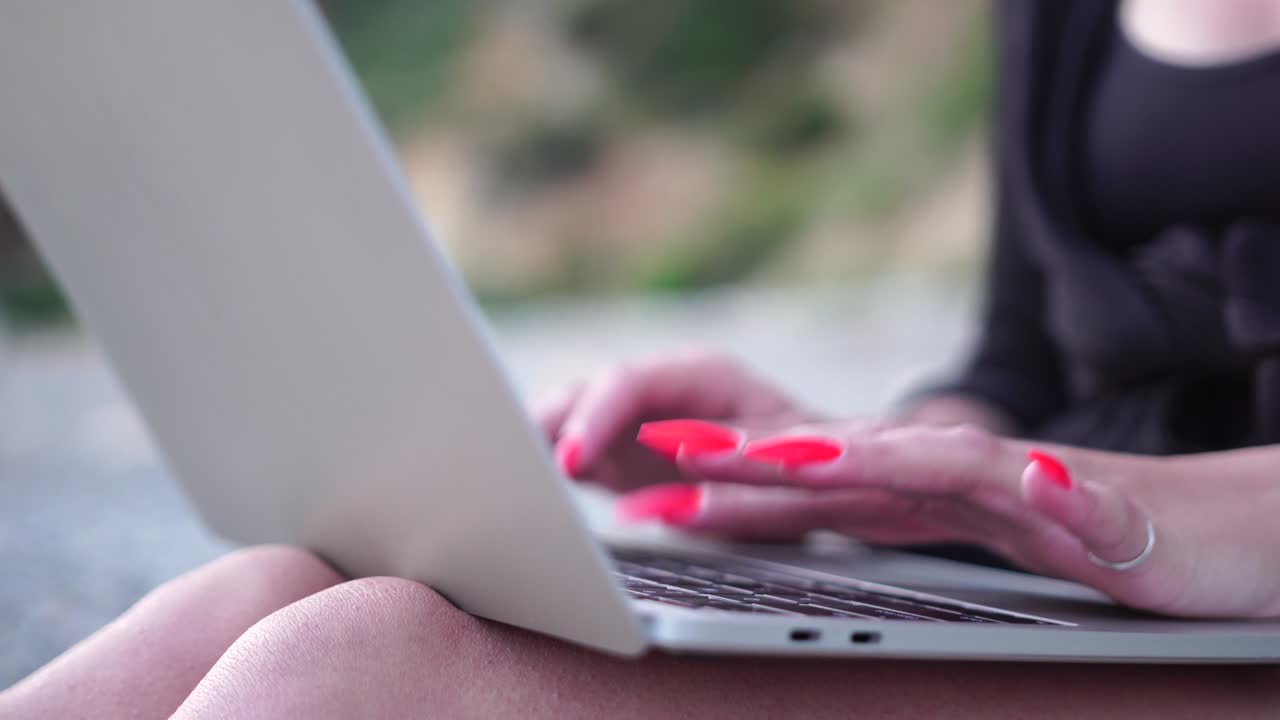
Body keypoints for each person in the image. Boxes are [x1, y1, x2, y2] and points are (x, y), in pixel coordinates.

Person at [5, 0, 1280, 716]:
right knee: (262, 589)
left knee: (350, 665)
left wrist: (1176, 514)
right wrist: (849, 456)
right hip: (1070, 590)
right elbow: (1019, 358)